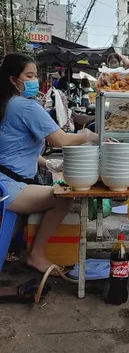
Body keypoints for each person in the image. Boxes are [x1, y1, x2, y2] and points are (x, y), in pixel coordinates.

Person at [0, 53, 98, 274]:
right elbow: (61, 140)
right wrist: (88, 135)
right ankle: (36, 255)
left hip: (6, 180)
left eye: (36, 75)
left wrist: (48, 164)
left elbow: (14, 151)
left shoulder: (7, 104)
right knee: (63, 198)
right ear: (13, 79)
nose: (34, 80)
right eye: (29, 75)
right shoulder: (25, 106)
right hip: (7, 188)